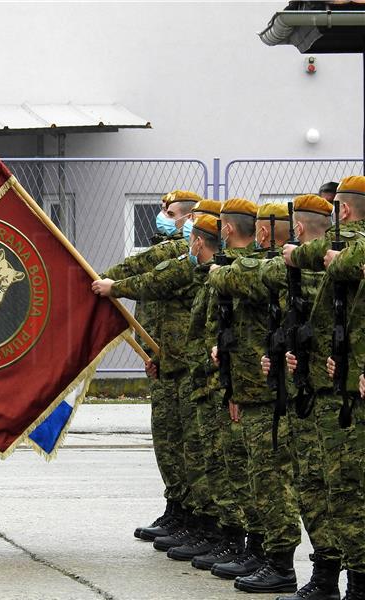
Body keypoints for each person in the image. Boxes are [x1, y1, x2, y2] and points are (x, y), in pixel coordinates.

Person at [93, 209, 225, 563]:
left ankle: (206, 525)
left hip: (194, 369)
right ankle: (183, 512)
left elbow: (153, 281)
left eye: (177, 215)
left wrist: (112, 287)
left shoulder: (198, 264)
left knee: (197, 451)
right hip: (174, 364)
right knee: (173, 444)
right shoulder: (186, 258)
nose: (168, 220)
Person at [208, 203, 302, 594]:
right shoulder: (271, 263)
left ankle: (279, 561)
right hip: (253, 385)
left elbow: (246, 277)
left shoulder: (285, 268)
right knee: (257, 475)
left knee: (271, 476)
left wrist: (220, 271)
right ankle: (263, 551)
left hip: (276, 391)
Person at [284, 175, 365, 600]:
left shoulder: (347, 246)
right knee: (325, 488)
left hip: (338, 389)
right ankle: (330, 577)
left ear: (345, 210)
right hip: (324, 382)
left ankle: (352, 582)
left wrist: (297, 254)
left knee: (341, 491)